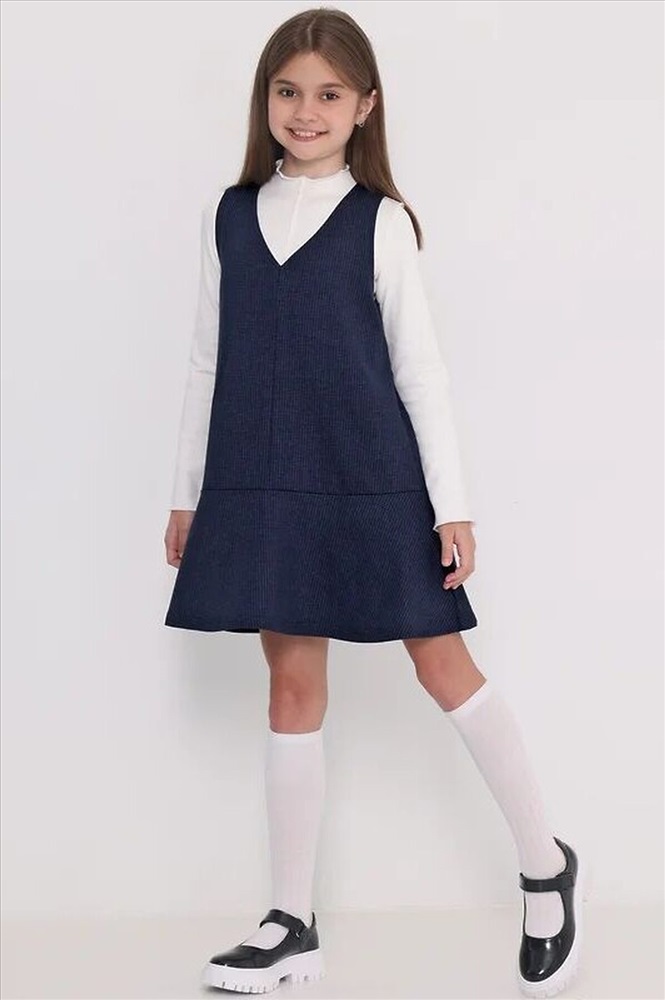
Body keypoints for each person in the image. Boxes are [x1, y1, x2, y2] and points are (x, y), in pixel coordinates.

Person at [163, 7, 583, 996]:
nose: (305, 111)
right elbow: (205, 360)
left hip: (371, 477)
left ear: (364, 108)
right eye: (287, 91)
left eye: (328, 94)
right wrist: (188, 494)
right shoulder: (229, 216)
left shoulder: (379, 222)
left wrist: (451, 506)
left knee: (443, 666)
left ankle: (544, 864)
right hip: (262, 479)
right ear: (264, 100)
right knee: (290, 682)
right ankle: (290, 922)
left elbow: (419, 371)